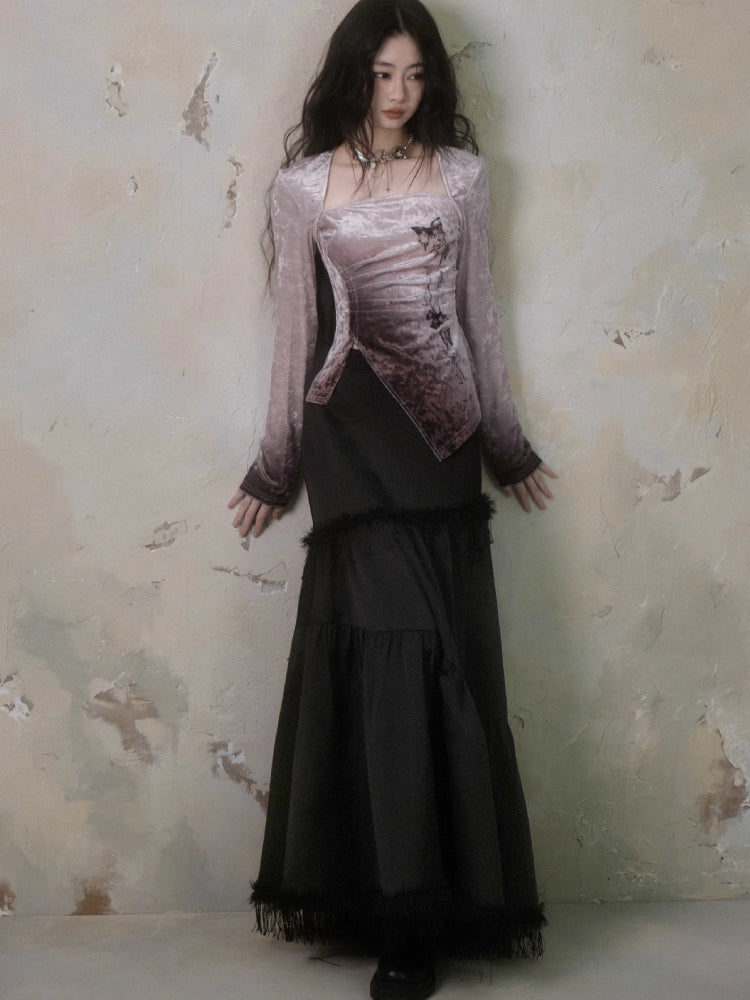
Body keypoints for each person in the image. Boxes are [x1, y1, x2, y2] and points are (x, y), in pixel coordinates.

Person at [227, 1, 556, 997]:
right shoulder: (302, 188)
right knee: (386, 657)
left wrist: (507, 444)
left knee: (442, 656)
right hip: (348, 441)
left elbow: (481, 320)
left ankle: (438, 903)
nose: (400, 94)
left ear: (433, 79)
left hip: (442, 442)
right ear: (353, 75)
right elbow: (295, 337)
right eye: (382, 74)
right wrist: (275, 465)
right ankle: (400, 917)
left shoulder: (463, 178)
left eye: (415, 74)